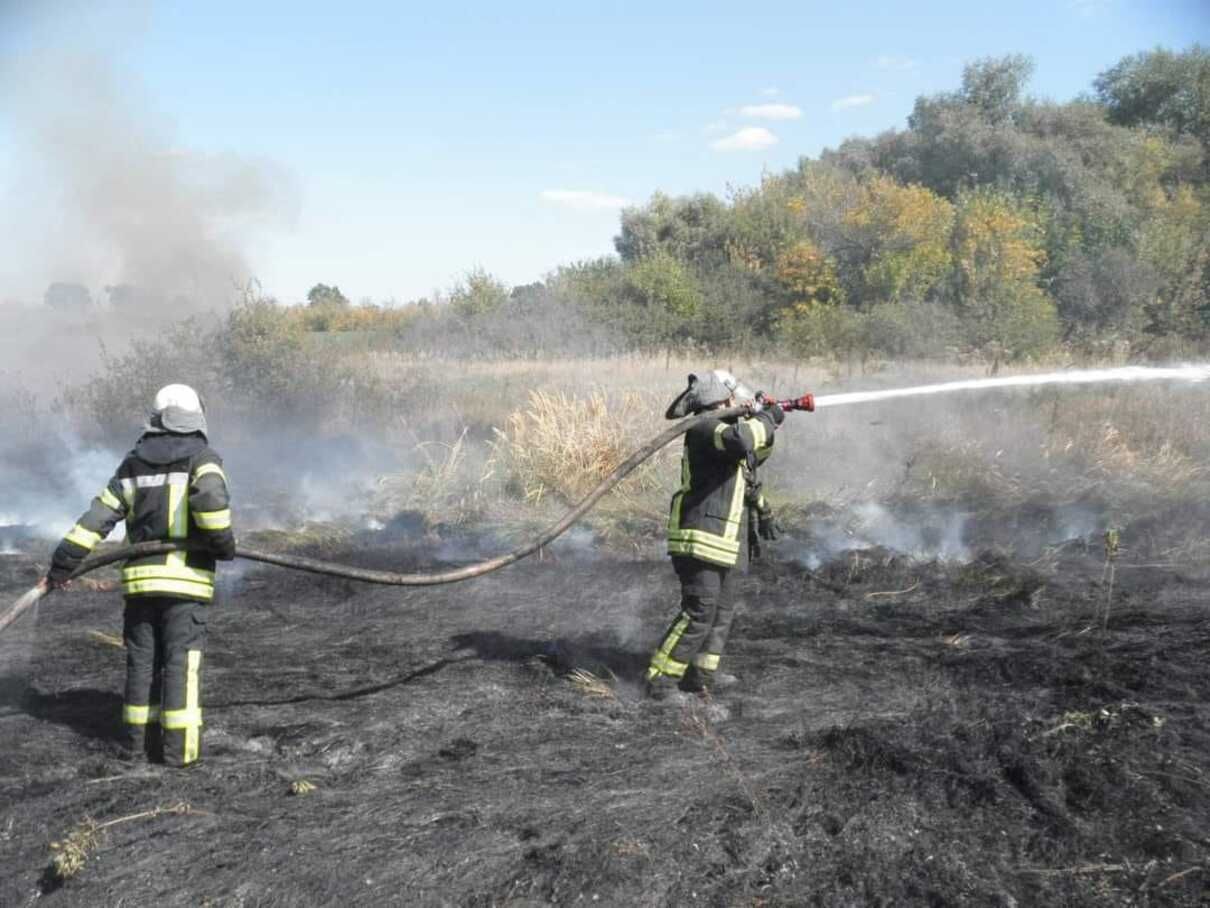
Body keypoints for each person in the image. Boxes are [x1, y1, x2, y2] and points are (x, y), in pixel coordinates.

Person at [40, 384, 235, 767]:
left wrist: (64, 562)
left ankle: (135, 748)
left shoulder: (133, 464)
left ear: (156, 418)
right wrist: (222, 543)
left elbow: (97, 518)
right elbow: (212, 500)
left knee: (142, 663)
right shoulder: (202, 458)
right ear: (197, 417)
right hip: (185, 583)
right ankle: (179, 753)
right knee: (181, 663)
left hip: (141, 586)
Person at [645, 370, 783, 701]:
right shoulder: (706, 428)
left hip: (730, 540)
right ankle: (661, 680)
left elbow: (753, 459)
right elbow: (742, 440)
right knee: (700, 611)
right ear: (720, 401)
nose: (736, 400)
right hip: (701, 537)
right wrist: (767, 417)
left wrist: (763, 510)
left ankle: (701, 675)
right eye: (731, 398)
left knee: (722, 613)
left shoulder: (727, 433)